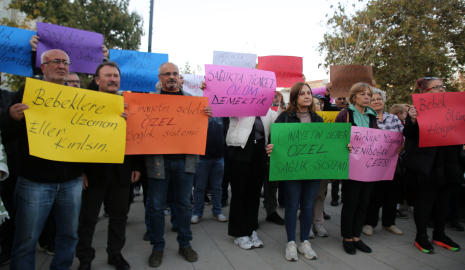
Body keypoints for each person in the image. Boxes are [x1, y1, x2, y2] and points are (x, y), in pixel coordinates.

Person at [2, 49, 85, 270]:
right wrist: (11, 118)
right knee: (26, 240)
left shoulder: (82, 99)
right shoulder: (27, 93)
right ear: (43, 67)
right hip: (34, 182)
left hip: (72, 181)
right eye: (55, 61)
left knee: (69, 236)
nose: (61, 65)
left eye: (65, 62)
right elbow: (8, 136)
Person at [75, 62, 141, 270]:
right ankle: (85, 258)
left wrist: (136, 166)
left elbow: (139, 136)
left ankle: (115, 253)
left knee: (119, 216)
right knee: (87, 218)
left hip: (121, 172)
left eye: (116, 75)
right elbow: (74, 138)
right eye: (108, 75)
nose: (113, 79)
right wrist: (81, 171)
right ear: (97, 80)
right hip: (94, 172)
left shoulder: (129, 103)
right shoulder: (84, 102)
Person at [146, 62, 212, 268]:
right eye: (167, 74)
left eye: (175, 73)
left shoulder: (192, 102)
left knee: (184, 205)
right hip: (158, 162)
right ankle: (157, 246)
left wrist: (206, 116)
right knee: (156, 206)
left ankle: (184, 244)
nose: (172, 76)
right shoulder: (148, 101)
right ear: (160, 78)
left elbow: (199, 131)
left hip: (185, 162)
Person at [403, 77, 463, 254]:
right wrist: (412, 120)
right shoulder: (417, 110)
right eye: (437, 87)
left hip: (450, 160)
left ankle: (439, 234)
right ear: (425, 92)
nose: (441, 89)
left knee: (445, 199)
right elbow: (409, 134)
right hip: (429, 163)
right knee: (426, 199)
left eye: (442, 86)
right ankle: (421, 236)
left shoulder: (455, 108)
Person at [266, 82, 323, 261]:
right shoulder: (284, 117)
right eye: (302, 93)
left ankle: (304, 241)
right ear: (294, 97)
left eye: (309, 93)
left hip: (312, 170)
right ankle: (291, 242)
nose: (307, 96)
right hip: (292, 170)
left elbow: (326, 144)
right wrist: (270, 147)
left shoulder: (318, 119)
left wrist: (344, 147)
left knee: (307, 206)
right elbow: (272, 137)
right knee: (291, 206)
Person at [226, 89, 279, 250]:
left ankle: (251, 230)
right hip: (239, 153)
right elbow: (223, 106)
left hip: (259, 155)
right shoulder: (238, 104)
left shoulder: (268, 111)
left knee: (254, 194)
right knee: (239, 194)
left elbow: (280, 124)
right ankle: (239, 233)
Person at [335, 82, 378, 255]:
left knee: (363, 203)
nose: (367, 97)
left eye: (369, 94)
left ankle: (357, 237)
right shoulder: (345, 114)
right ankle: (347, 237)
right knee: (351, 203)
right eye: (363, 94)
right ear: (354, 97)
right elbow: (336, 140)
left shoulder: (372, 116)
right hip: (351, 167)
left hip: (368, 167)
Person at [362, 88, 406, 238]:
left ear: (383, 101)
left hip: (392, 163)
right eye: (373, 99)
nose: (376, 101)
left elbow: (403, 136)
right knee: (375, 194)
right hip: (374, 164)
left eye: (379, 99)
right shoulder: (366, 119)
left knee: (392, 194)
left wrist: (402, 145)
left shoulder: (393, 119)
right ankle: (369, 223)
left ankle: (389, 223)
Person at [191, 82, 227, 223]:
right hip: (201, 156)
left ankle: (217, 212)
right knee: (199, 187)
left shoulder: (222, 106)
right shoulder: (197, 103)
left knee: (217, 187)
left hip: (218, 156)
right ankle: (197, 213)